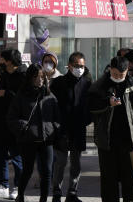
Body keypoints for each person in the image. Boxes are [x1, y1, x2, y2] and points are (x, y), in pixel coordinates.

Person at [89, 56, 133, 202]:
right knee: (108, 177)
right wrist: (107, 103)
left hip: (128, 138)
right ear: (110, 69)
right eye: (115, 74)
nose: (118, 77)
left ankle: (132, 199)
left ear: (127, 70)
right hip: (106, 139)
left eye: (121, 75)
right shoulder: (99, 85)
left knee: (130, 176)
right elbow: (91, 106)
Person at [8, 65, 61, 202]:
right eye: (36, 77)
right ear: (30, 78)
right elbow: (11, 118)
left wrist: (54, 129)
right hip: (28, 140)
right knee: (28, 170)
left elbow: (57, 117)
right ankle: (20, 195)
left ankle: (43, 199)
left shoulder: (49, 95)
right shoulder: (21, 95)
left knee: (47, 171)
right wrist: (22, 126)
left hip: (46, 139)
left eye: (42, 77)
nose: (40, 80)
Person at [50, 52, 92, 202]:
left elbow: (90, 107)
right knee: (60, 162)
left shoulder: (87, 84)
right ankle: (56, 191)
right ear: (69, 66)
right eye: (77, 66)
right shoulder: (58, 83)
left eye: (82, 66)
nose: (80, 69)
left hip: (78, 129)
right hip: (61, 129)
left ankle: (72, 192)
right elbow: (51, 104)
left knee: (76, 163)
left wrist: (86, 120)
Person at [0, 49, 26, 199]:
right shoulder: (3, 76)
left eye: (2, 59)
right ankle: (3, 185)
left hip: (16, 123)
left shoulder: (23, 75)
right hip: (0, 122)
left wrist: (7, 94)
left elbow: (25, 99)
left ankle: (18, 187)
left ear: (9, 60)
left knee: (17, 157)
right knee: (0, 155)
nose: (0, 61)